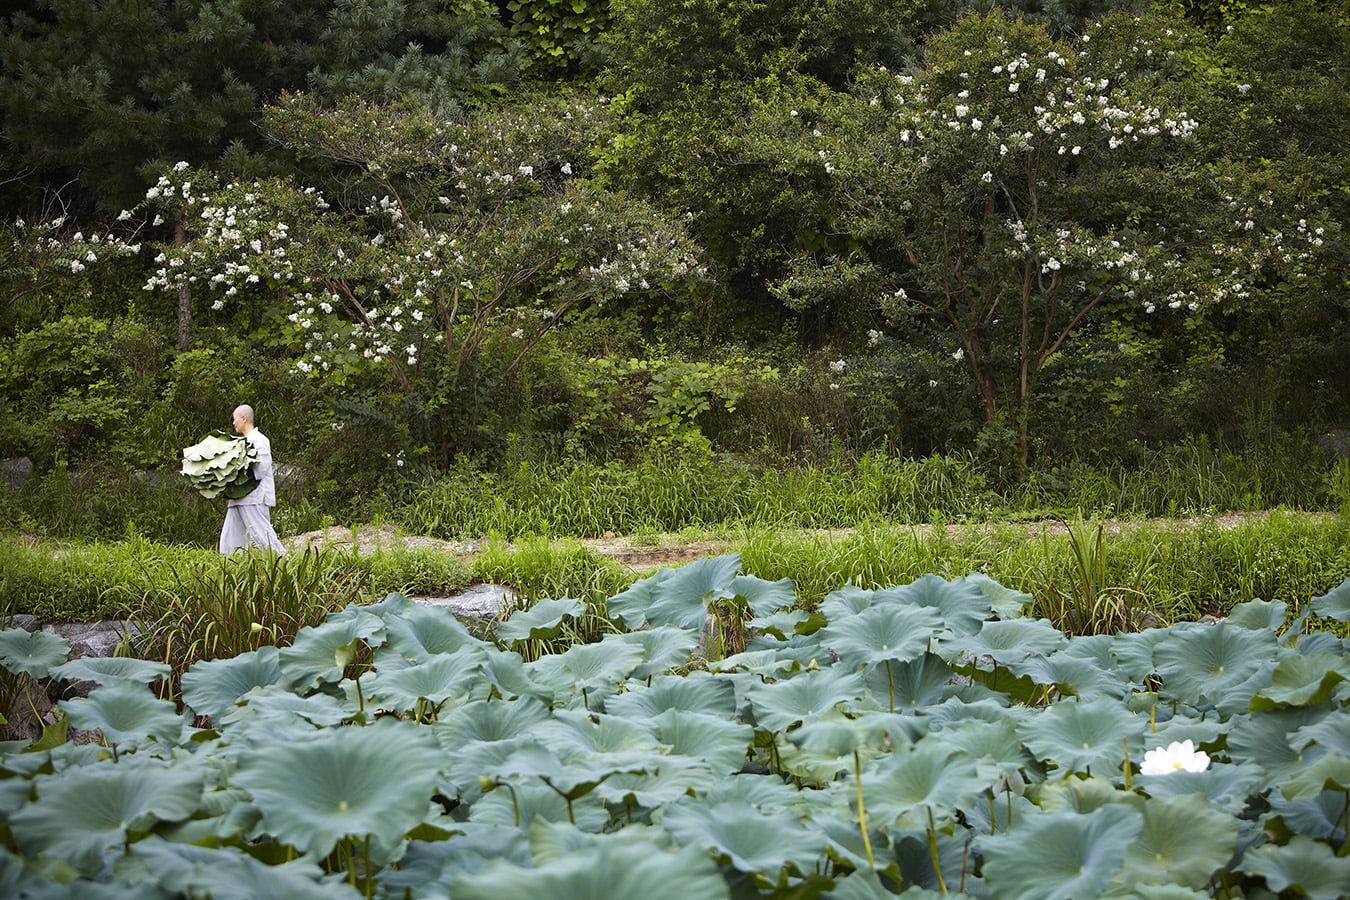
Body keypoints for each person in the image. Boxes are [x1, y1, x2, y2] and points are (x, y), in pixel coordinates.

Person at [218, 404, 286, 554]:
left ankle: (284, 563)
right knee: (230, 537)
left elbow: (261, 468)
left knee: (261, 534)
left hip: (254, 496)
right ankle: (230, 566)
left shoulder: (259, 440)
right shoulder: (240, 442)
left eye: (235, 419)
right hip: (238, 498)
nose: (233, 423)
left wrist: (240, 475)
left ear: (244, 418)